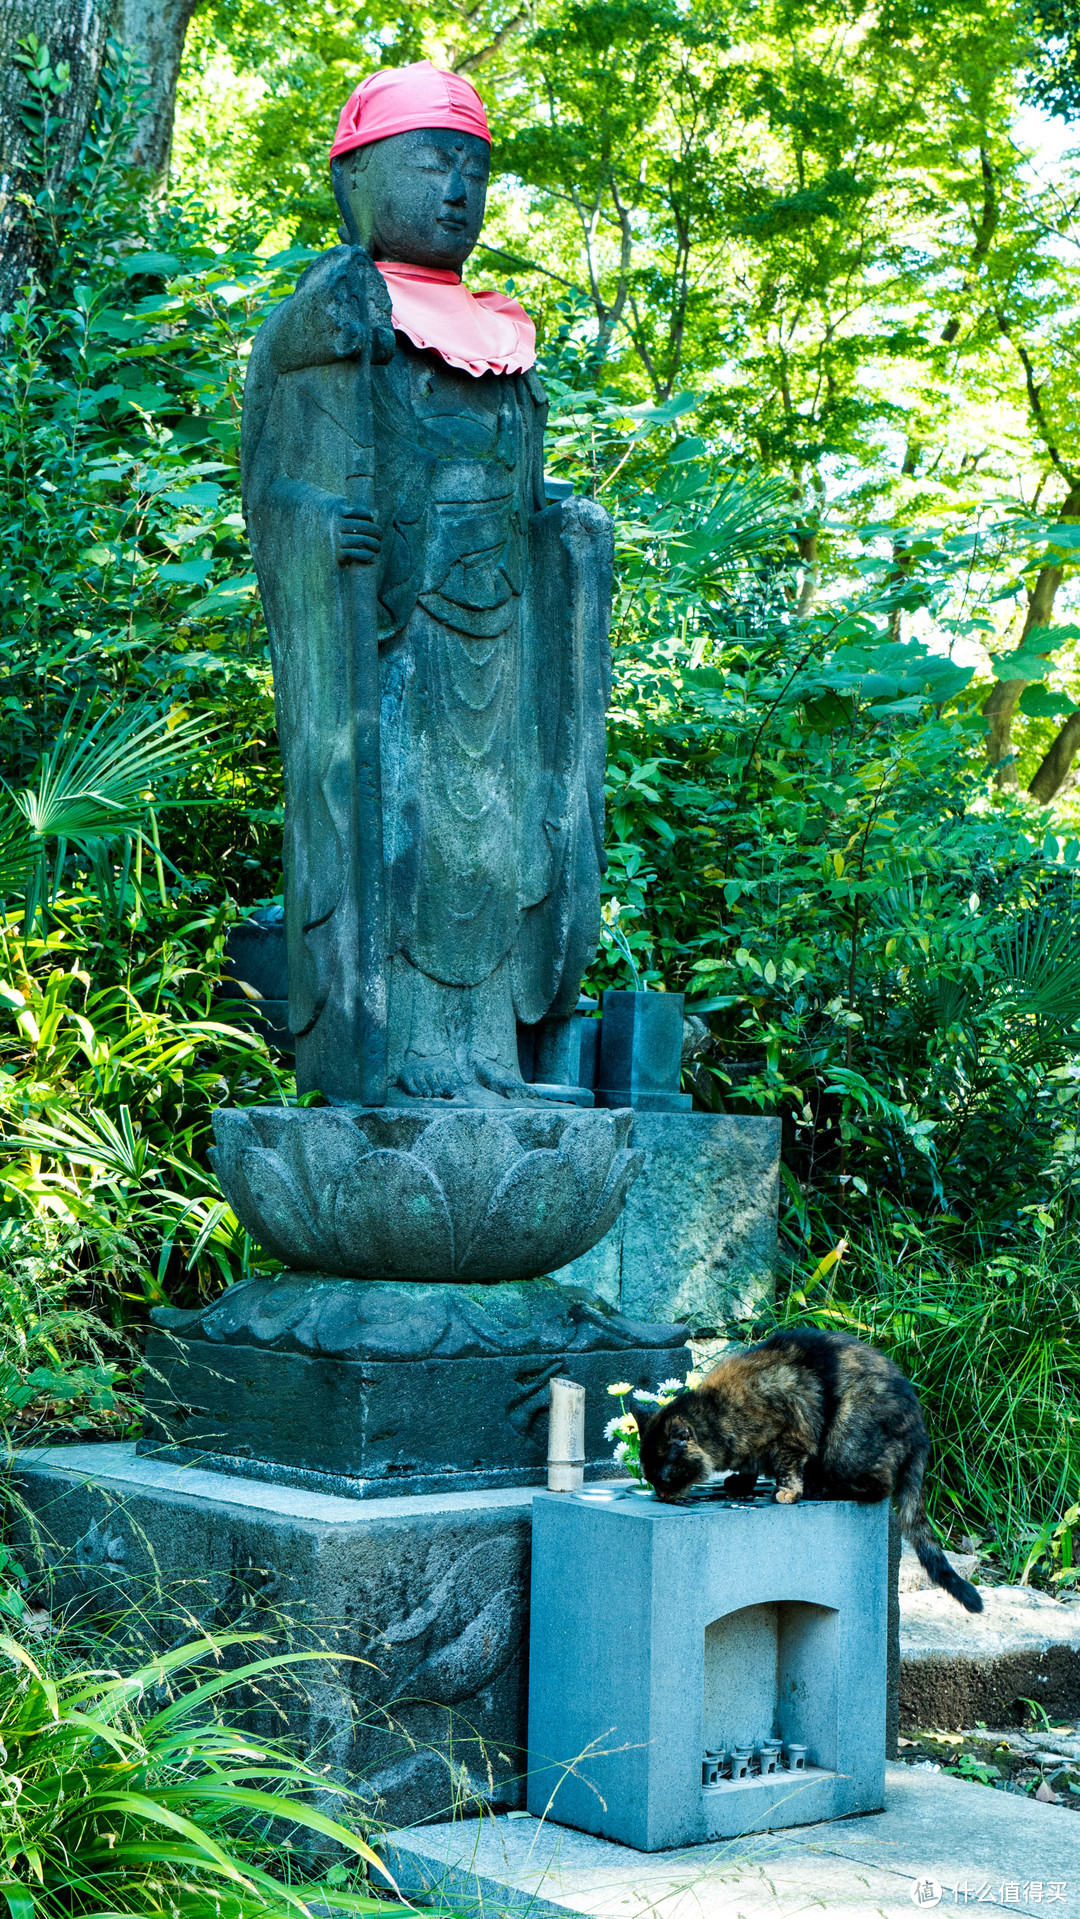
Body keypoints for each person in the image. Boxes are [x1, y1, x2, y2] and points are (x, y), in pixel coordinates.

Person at [242, 63, 612, 1106]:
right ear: (355, 179)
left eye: (475, 172)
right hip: (395, 633)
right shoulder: (325, 326)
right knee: (399, 836)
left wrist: (569, 537)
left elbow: (529, 499)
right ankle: (398, 1057)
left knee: (496, 838)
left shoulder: (504, 337)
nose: (459, 190)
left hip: (502, 632)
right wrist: (323, 532)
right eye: (433, 162)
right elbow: (273, 490)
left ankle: (489, 1055)